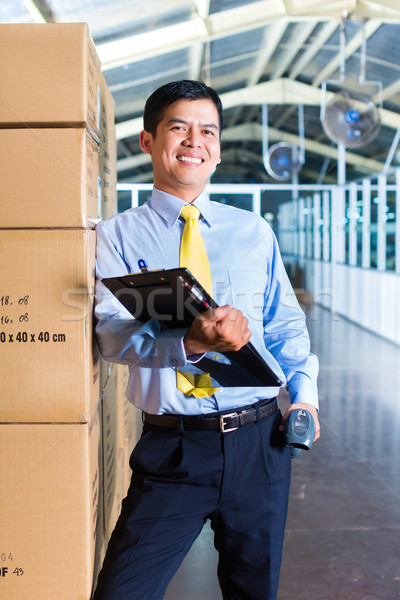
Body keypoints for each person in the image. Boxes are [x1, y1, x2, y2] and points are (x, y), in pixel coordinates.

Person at [93, 79, 320, 600]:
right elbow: (109, 336)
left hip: (259, 443)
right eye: (179, 128)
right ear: (149, 141)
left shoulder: (254, 232)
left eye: (208, 131)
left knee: (252, 592)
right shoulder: (117, 236)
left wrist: (304, 397)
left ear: (217, 147)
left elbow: (286, 328)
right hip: (173, 449)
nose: (195, 141)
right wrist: (189, 344)